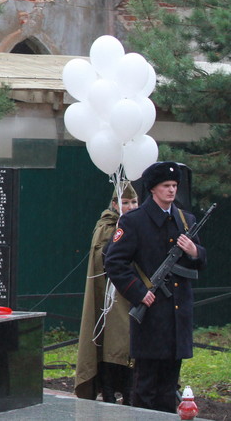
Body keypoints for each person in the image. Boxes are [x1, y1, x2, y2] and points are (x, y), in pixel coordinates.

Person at [104, 161, 207, 412]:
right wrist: (139, 292)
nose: (171, 191)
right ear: (152, 189)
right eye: (165, 186)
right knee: (146, 385)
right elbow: (114, 262)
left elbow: (199, 263)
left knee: (169, 383)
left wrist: (195, 251)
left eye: (174, 186)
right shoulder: (134, 222)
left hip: (177, 312)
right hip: (151, 313)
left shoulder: (185, 219)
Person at [75, 181, 138, 404]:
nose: (130, 206)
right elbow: (101, 256)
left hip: (134, 293)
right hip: (110, 296)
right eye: (125, 202)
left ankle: (130, 393)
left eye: (133, 202)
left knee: (130, 345)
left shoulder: (140, 224)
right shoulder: (107, 225)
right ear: (114, 204)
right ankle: (109, 392)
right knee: (112, 343)